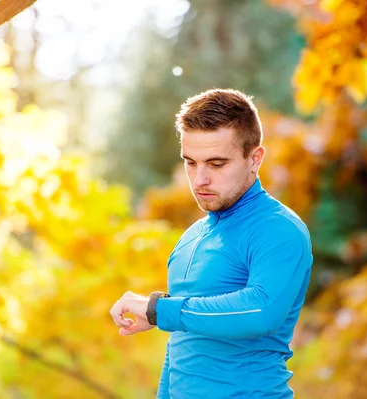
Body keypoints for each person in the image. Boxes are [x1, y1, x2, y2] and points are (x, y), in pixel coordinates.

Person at [109, 88, 313, 399]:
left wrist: (158, 310)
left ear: (254, 158)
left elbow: (261, 310)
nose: (200, 179)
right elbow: (180, 350)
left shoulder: (279, 229)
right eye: (191, 162)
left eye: (216, 164)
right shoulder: (190, 238)